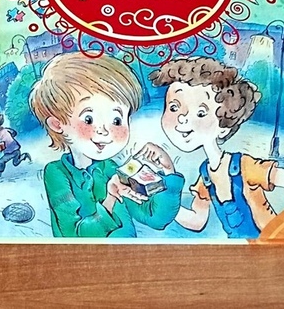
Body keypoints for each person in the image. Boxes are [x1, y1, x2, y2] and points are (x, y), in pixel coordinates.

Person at [29, 52, 184, 238]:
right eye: (89, 119)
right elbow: (73, 236)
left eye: (116, 120)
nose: (104, 131)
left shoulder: (110, 168)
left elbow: (155, 217)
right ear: (57, 124)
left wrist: (168, 171)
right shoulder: (56, 173)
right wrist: (110, 199)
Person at [147, 56, 284, 238]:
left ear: (223, 127)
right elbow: (197, 221)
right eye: (174, 107)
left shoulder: (245, 167)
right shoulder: (205, 176)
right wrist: (160, 194)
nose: (182, 118)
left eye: (201, 113)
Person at [0, 111, 31, 178]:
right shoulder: (6, 129)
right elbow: (14, 132)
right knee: (15, 163)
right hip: (16, 149)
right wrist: (10, 138)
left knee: (1, 161)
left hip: (10, 152)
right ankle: (24, 156)